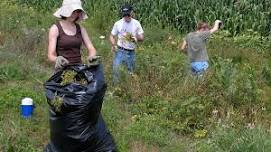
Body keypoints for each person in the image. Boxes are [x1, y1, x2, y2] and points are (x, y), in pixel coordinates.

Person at [47, 0, 97, 71]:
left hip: (79, 69)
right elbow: (50, 55)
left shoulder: (81, 29)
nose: (75, 14)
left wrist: (91, 56)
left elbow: (91, 48)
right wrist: (57, 59)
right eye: (72, 11)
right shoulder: (55, 29)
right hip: (62, 70)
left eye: (77, 12)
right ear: (65, 11)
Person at [109, 4, 144, 84]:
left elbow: (142, 37)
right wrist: (113, 45)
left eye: (128, 14)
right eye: (124, 14)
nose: (126, 16)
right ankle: (116, 89)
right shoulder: (118, 23)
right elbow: (111, 36)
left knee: (130, 72)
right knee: (116, 70)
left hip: (131, 52)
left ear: (131, 13)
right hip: (120, 51)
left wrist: (136, 38)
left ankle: (128, 89)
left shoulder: (136, 23)